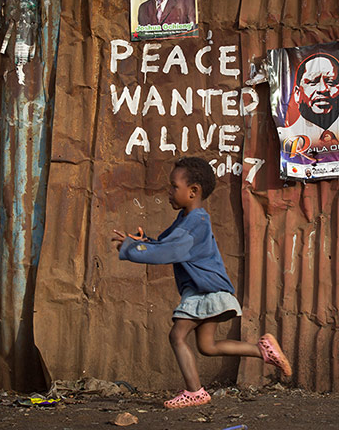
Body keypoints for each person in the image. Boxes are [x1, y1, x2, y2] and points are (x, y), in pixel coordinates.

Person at [111, 157, 292, 409]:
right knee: (208, 346)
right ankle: (262, 350)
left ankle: (195, 391)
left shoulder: (195, 222)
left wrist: (133, 249)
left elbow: (170, 252)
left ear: (193, 191)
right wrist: (143, 243)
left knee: (177, 335)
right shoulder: (187, 220)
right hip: (212, 289)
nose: (169, 192)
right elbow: (165, 245)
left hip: (204, 291)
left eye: (174, 186)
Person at [277, 53, 339, 160]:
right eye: (313, 82)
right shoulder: (282, 139)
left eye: (331, 82)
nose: (323, 89)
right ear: (298, 94)